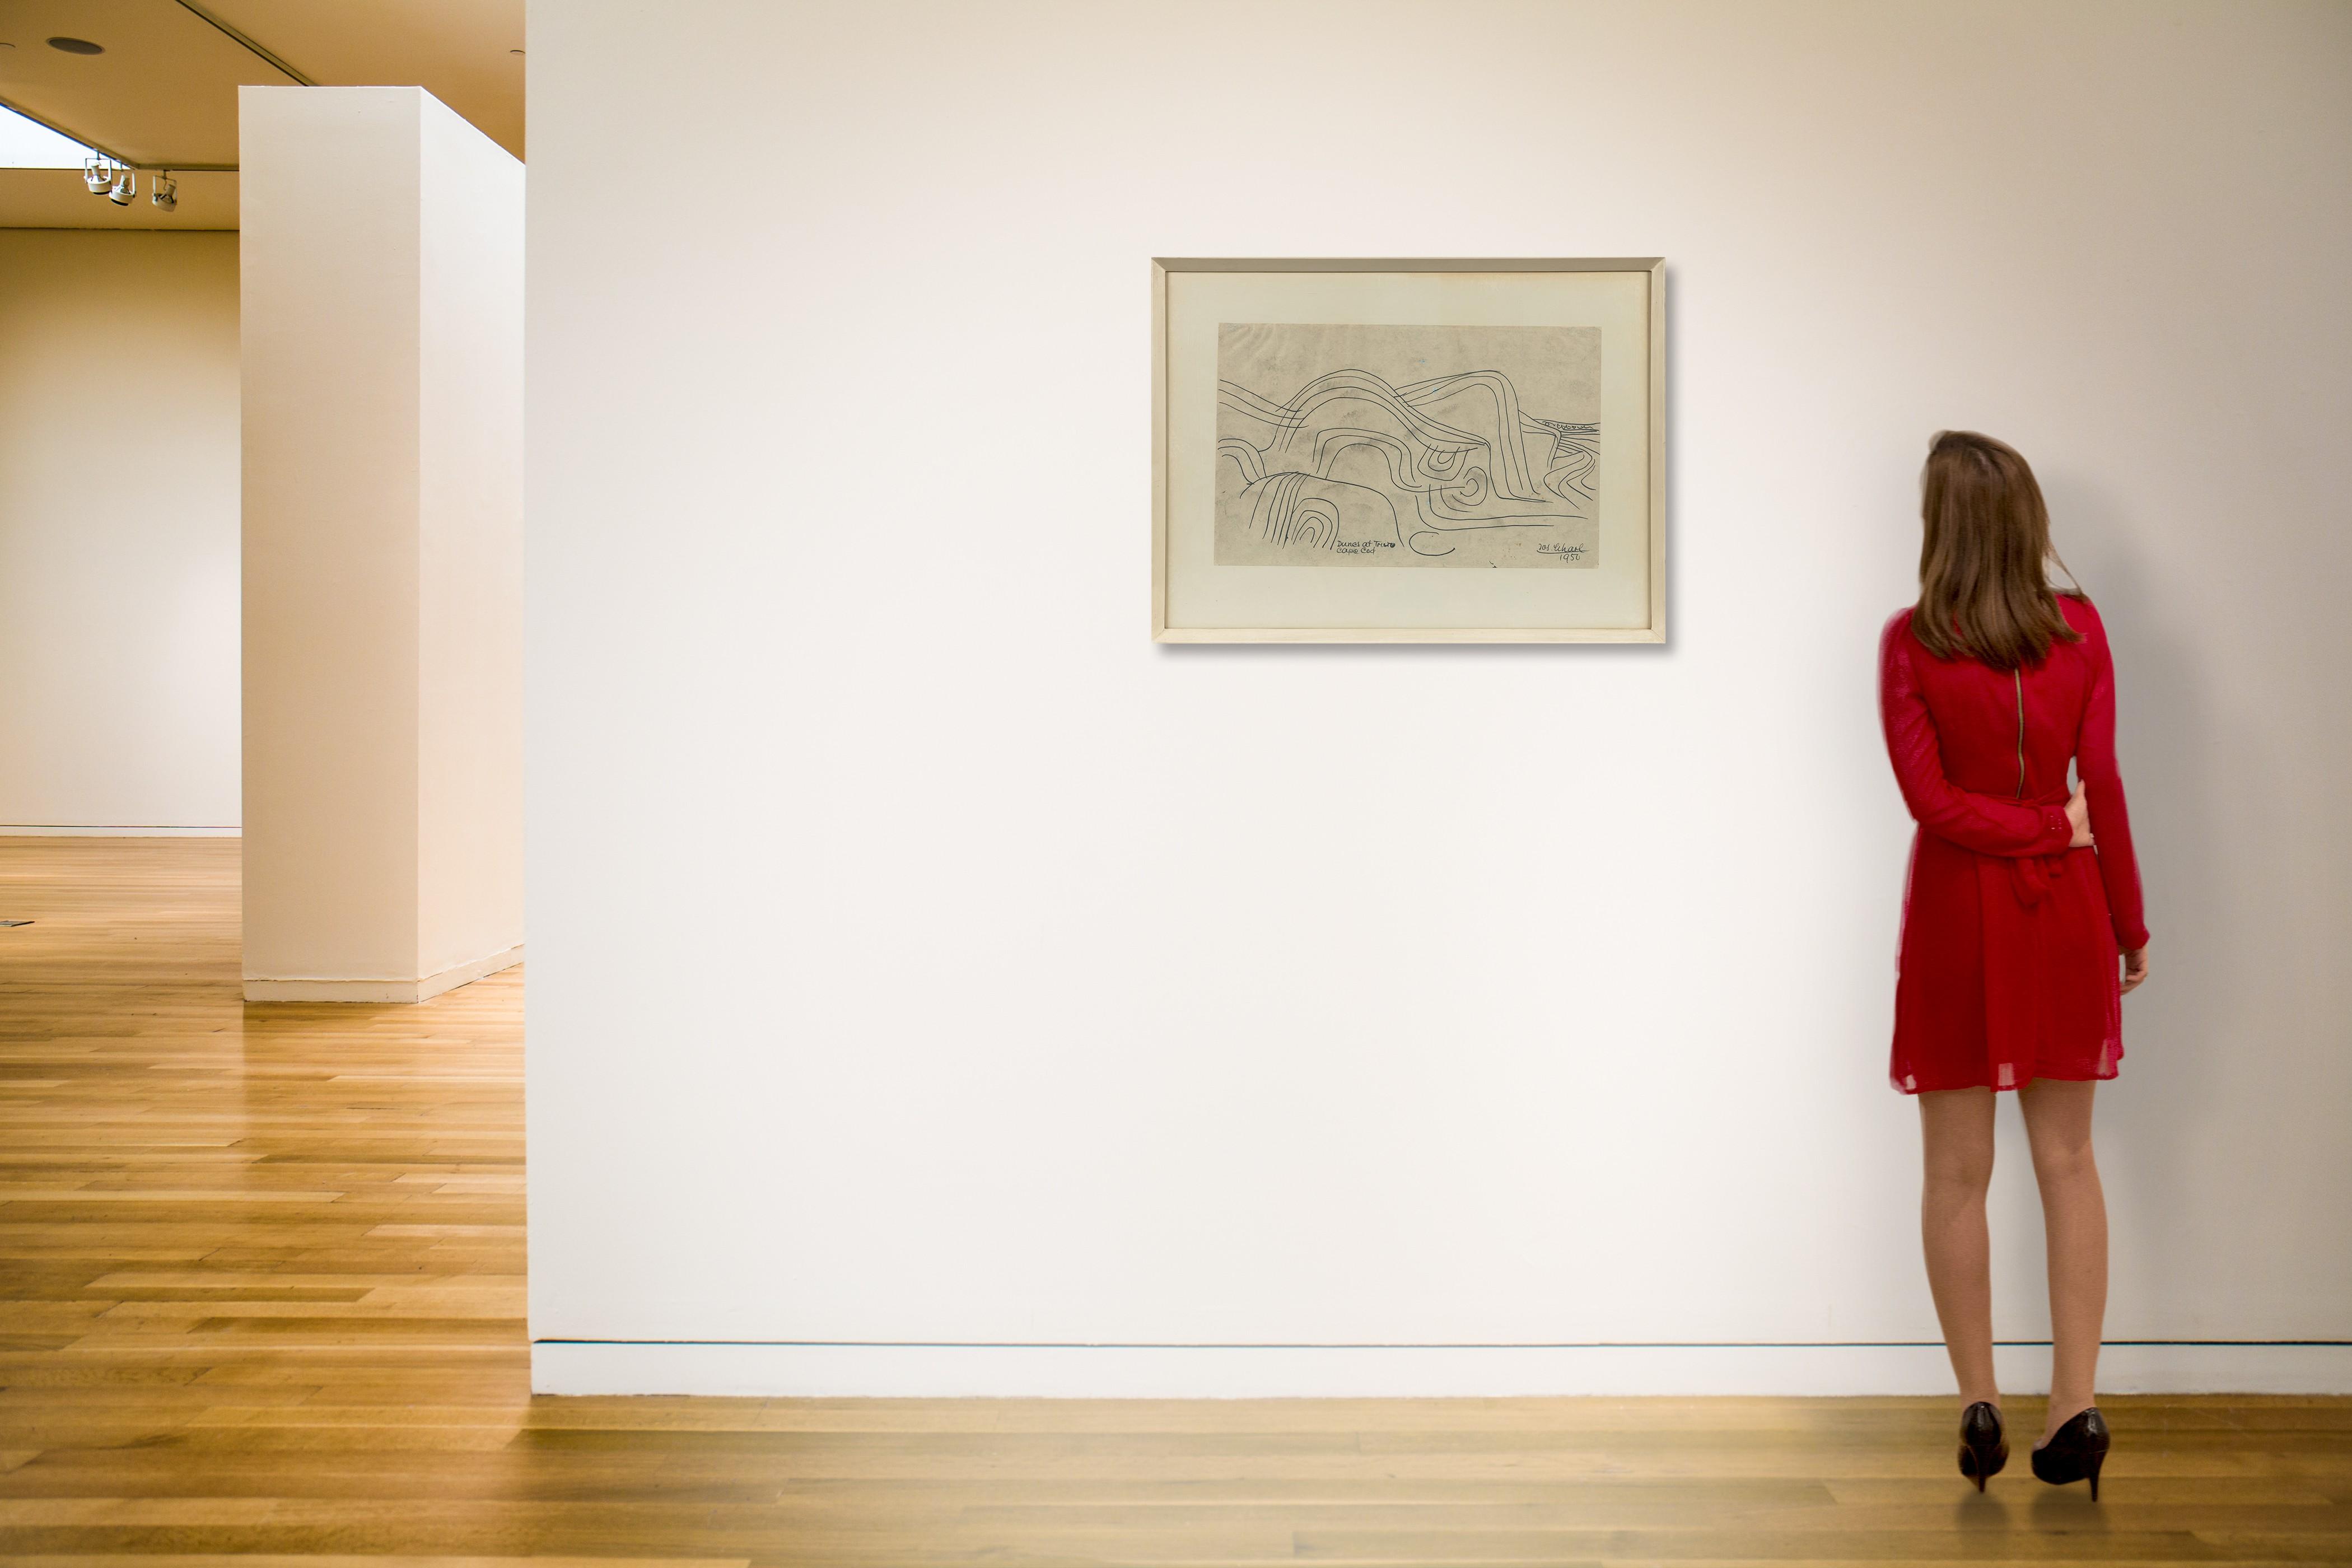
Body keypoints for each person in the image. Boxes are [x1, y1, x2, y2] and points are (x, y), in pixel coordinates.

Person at [1877, 430, 2150, 1500]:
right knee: (2069, 1162)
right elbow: (2104, 788)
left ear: (1939, 527)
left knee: (1955, 1172)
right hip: (2066, 911)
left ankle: (1978, 1404)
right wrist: (2126, 917)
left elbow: (1932, 804)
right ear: (2027, 519)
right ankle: (2074, 1408)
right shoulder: (2079, 630)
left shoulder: (1911, 643)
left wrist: (2046, 842)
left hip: (1958, 915)